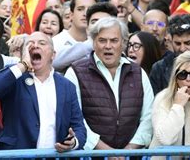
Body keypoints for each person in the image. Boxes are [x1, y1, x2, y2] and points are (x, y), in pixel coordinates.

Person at [0, 32, 86, 150]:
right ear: (24, 54)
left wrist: (73, 143)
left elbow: (78, 126)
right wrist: (23, 65)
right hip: (17, 155)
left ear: (53, 55)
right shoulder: (14, 77)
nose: (35, 46)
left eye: (42, 43)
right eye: (30, 44)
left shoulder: (67, 86)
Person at [65, 17, 154, 150]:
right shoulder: (75, 72)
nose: (108, 46)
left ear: (124, 43)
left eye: (114, 40)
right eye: (102, 40)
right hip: (90, 157)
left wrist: (129, 150)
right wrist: (106, 151)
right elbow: (75, 120)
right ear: (94, 42)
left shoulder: (138, 72)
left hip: (131, 156)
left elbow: (149, 117)